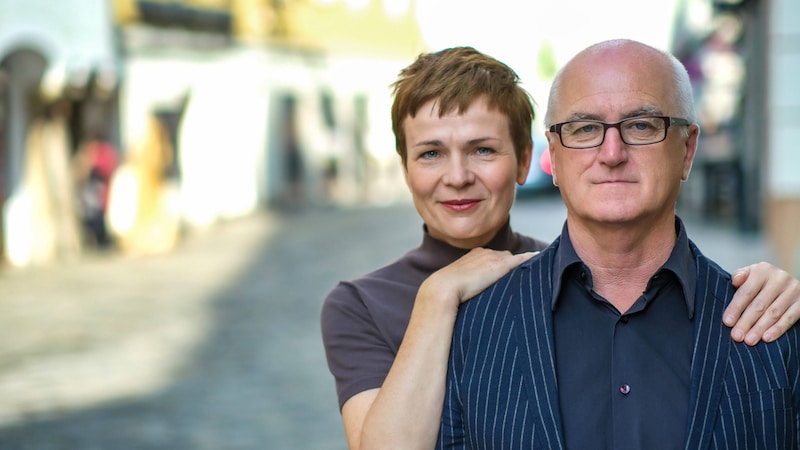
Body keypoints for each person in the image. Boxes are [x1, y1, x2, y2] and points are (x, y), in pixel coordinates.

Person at [321, 46, 800, 450]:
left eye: (483, 149)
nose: (458, 176)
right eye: (430, 153)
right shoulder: (400, 310)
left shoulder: (549, 270)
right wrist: (436, 297)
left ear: (530, 159)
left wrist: (774, 285)